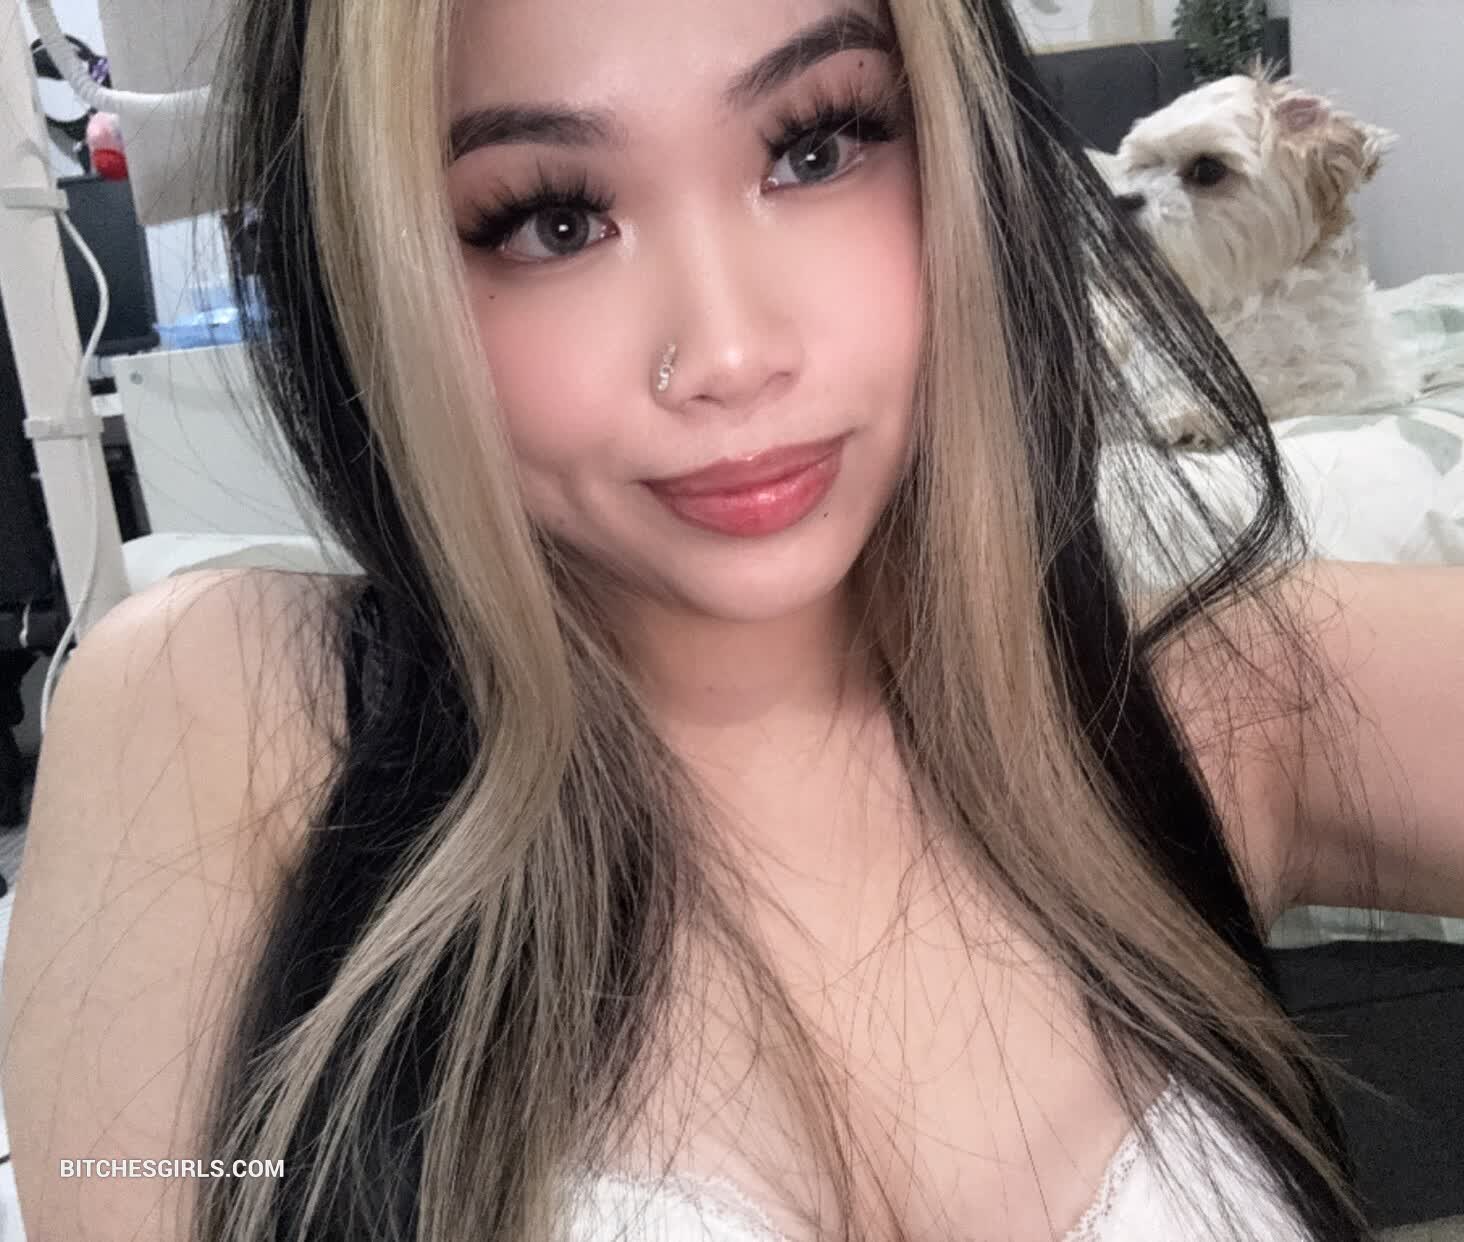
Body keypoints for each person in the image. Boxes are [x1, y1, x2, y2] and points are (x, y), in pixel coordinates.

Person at [2, 0, 1462, 1239]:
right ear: (378, 281)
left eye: (814, 148)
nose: (731, 352)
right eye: (552, 221)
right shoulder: (235, 716)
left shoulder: (1207, 691)